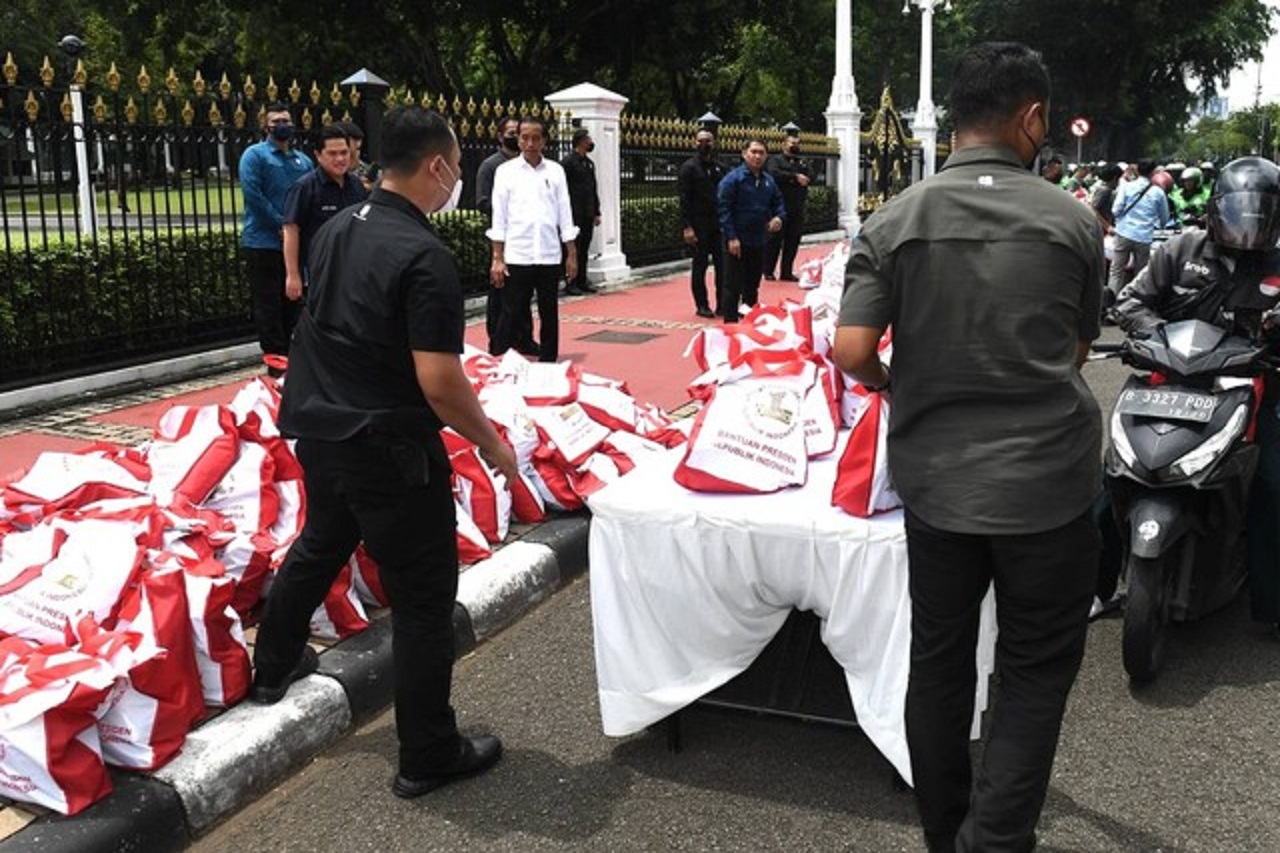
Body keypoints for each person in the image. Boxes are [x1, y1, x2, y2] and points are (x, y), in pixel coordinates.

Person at [833, 42, 1104, 852]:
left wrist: (897, 379)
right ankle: (996, 839)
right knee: (1031, 670)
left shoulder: (893, 220)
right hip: (1048, 490)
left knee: (940, 661)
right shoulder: (1073, 221)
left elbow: (851, 350)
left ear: (956, 120)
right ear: (1030, 118)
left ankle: (945, 830)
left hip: (938, 487)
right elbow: (1080, 348)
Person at [249, 105, 519, 799]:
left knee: (322, 538)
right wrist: (492, 444)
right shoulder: (423, 255)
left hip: (322, 429)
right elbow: (439, 379)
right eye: (457, 166)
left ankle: (273, 664)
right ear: (436, 167)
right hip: (389, 447)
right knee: (425, 601)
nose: (459, 178)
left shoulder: (339, 226)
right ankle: (428, 750)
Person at [1113, 156, 1280, 636]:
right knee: (1114, 472)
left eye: (1259, 216)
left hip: (1251, 387)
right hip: (1170, 381)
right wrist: (1155, 336)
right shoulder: (1178, 249)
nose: (1247, 227)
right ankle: (1097, 581)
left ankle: (1270, 601)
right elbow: (1131, 301)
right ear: (1214, 211)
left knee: (1272, 484)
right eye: (1238, 214)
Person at [488, 115, 578, 362]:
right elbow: (499, 217)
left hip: (549, 254)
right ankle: (497, 359)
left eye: (535, 138)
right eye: (525, 137)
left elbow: (565, 214)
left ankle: (548, 363)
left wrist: (572, 254)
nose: (530, 143)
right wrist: (498, 257)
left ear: (544, 141)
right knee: (511, 311)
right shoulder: (505, 172)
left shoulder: (556, 171)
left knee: (550, 313)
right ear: (517, 139)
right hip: (518, 253)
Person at [238, 102, 313, 376]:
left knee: (293, 303)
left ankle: (295, 360)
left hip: (295, 245)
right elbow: (253, 194)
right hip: (263, 243)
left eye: (286, 120)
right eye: (276, 121)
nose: (282, 125)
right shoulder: (254, 156)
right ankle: (276, 366)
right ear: (265, 126)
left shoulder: (302, 160)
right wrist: (281, 225)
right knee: (268, 306)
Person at [282, 124, 369, 305]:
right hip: (321, 274)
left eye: (344, 153)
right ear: (318, 155)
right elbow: (291, 230)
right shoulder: (305, 188)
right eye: (332, 153)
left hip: (356, 272)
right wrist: (293, 275)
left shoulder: (357, 186)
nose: (340, 159)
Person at [474, 117, 532, 351]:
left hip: (525, 236)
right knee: (500, 291)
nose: (514, 136)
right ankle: (498, 342)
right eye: (509, 132)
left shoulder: (528, 165)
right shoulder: (490, 166)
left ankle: (524, 338)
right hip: (501, 235)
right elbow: (482, 201)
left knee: (525, 290)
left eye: (517, 132)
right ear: (500, 136)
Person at [716, 138, 784, 322]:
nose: (757, 156)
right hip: (737, 240)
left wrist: (778, 217)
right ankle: (730, 323)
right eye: (753, 152)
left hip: (758, 239)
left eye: (761, 152)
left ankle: (749, 319)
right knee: (732, 284)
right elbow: (724, 209)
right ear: (744, 154)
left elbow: (778, 202)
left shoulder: (768, 181)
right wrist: (731, 237)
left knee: (752, 285)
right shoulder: (733, 180)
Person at [1106, 158, 1171, 306]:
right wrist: (1159, 224)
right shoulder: (1158, 192)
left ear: (1138, 170)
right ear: (1153, 173)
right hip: (1144, 237)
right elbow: (1164, 217)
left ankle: (1110, 305)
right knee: (1141, 273)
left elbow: (1115, 210)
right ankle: (1132, 305)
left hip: (1123, 234)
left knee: (1116, 271)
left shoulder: (1126, 187)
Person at [676, 129, 727, 318]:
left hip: (717, 223)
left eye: (708, 140)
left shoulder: (720, 167)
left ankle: (723, 303)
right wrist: (687, 227)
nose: (705, 144)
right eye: (701, 141)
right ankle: (702, 305)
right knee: (700, 266)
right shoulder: (688, 168)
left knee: (723, 266)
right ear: (695, 143)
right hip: (698, 224)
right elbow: (684, 199)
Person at [763, 132, 812, 282]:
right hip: (779, 207)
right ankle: (768, 270)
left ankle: (786, 271)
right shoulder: (775, 160)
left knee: (793, 240)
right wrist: (795, 177)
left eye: (797, 143)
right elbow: (774, 174)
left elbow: (811, 175)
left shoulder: (802, 161)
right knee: (774, 241)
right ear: (784, 144)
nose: (794, 146)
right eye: (791, 143)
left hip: (797, 206)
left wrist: (796, 177)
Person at [561, 127, 602, 295]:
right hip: (573, 212)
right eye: (588, 140)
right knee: (574, 248)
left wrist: (596, 211)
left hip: (587, 212)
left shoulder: (589, 163)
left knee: (584, 248)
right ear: (580, 141)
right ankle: (571, 281)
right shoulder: (568, 162)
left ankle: (582, 279)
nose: (590, 142)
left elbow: (593, 188)